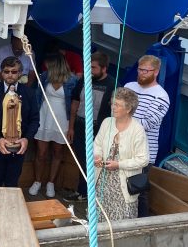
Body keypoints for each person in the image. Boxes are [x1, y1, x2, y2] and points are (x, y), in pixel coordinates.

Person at [0, 56, 40, 187]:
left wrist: (26, 139)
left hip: (18, 146)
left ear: (20, 73)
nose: (10, 75)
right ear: (1, 72)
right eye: (6, 71)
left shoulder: (28, 93)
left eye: (14, 71)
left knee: (12, 182)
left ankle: (11, 207)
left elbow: (35, 120)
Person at [94, 87, 149, 222]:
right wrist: (97, 156)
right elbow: (97, 144)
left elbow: (143, 159)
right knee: (99, 217)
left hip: (123, 187)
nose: (113, 107)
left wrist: (119, 165)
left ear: (128, 109)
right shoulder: (107, 122)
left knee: (121, 222)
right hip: (102, 181)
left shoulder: (137, 130)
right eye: (112, 103)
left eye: (117, 105)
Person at [66, 51, 115, 201]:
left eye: (93, 68)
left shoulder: (113, 84)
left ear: (104, 68)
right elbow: (75, 102)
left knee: (95, 162)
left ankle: (93, 194)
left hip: (99, 132)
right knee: (82, 160)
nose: (90, 70)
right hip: (80, 128)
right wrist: (71, 127)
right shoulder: (84, 80)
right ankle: (83, 192)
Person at [125, 54, 169, 217]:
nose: (141, 73)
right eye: (140, 69)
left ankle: (141, 223)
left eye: (146, 70)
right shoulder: (129, 87)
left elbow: (147, 123)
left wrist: (124, 116)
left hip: (143, 152)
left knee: (137, 190)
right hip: (122, 148)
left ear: (156, 72)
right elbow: (115, 111)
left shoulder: (161, 96)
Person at [29, 52, 78, 198]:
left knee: (57, 153)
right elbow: (37, 98)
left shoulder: (73, 80)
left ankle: (51, 183)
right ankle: (37, 181)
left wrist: (71, 127)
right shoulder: (44, 76)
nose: (46, 67)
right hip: (44, 117)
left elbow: (75, 105)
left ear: (56, 66)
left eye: (49, 65)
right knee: (41, 153)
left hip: (63, 119)